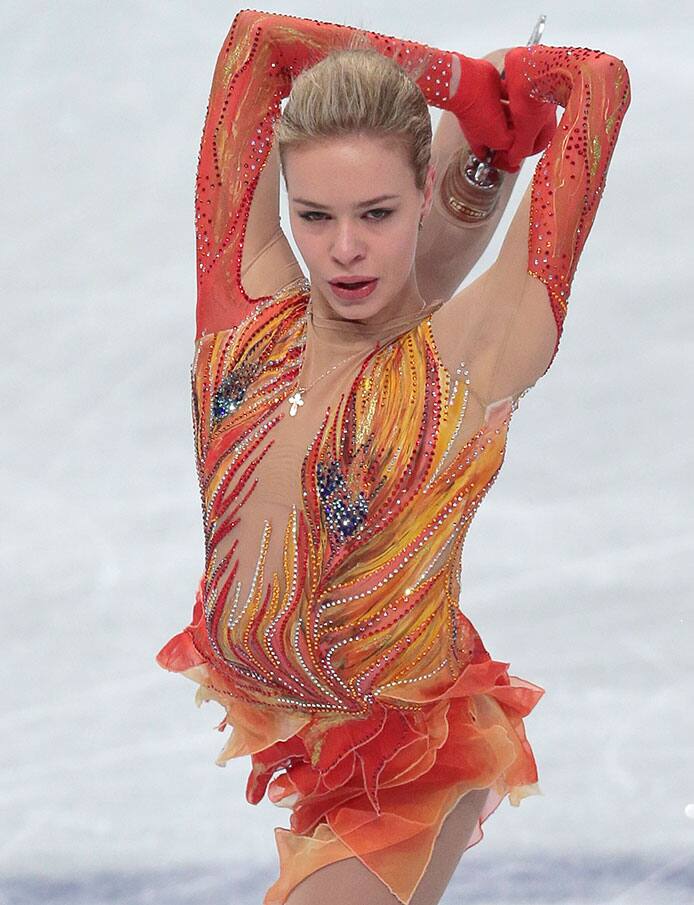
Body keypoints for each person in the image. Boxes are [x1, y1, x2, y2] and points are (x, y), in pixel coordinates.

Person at [155, 10, 631, 905]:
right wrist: (451, 80)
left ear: (420, 192)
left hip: (411, 758)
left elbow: (598, 85)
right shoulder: (242, 304)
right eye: (314, 213)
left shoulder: (470, 363)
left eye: (376, 212)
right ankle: (479, 162)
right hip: (300, 729)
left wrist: (515, 79)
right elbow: (258, 41)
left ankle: (475, 164)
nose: (341, 248)